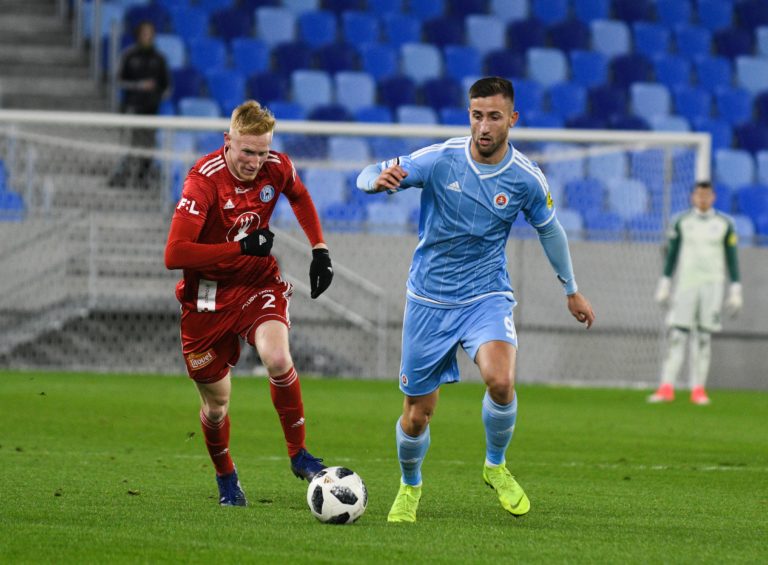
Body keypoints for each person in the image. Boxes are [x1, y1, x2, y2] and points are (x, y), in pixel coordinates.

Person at [355, 77, 595, 523]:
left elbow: (550, 230)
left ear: (512, 119)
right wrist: (375, 182)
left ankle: (495, 465)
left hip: (486, 295)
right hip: (428, 299)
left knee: (501, 381)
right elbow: (368, 172)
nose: (484, 126)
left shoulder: (525, 177)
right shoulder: (441, 159)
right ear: (469, 115)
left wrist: (571, 289)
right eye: (477, 115)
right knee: (417, 415)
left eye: (494, 117)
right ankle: (410, 485)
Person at [164, 100, 335, 506]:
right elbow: (175, 254)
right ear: (228, 141)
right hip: (206, 298)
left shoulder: (276, 166)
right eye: (247, 152)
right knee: (217, 405)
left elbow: (300, 196)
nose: (255, 162)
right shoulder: (203, 181)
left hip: (257, 283)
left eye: (262, 152)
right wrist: (239, 247)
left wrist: (320, 249)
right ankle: (226, 475)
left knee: (277, 358)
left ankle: (299, 454)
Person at [648, 181, 742, 406]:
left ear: (713, 197)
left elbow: (731, 258)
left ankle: (698, 389)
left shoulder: (725, 224)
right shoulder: (681, 221)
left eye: (706, 195)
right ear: (692, 197)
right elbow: (672, 255)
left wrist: (736, 290)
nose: (702, 198)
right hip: (686, 285)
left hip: (713, 286)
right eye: (699, 194)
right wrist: (664, 284)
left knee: (703, 337)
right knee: (678, 335)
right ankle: (666, 387)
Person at [110, 20, 170, 187]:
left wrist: (155, 94)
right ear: (138, 35)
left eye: (149, 33)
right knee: (130, 142)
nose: (147, 36)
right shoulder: (128, 56)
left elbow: (166, 86)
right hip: (132, 107)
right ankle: (123, 174)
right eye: (144, 33)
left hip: (151, 109)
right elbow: (119, 80)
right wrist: (139, 86)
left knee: (148, 143)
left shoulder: (159, 58)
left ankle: (143, 177)